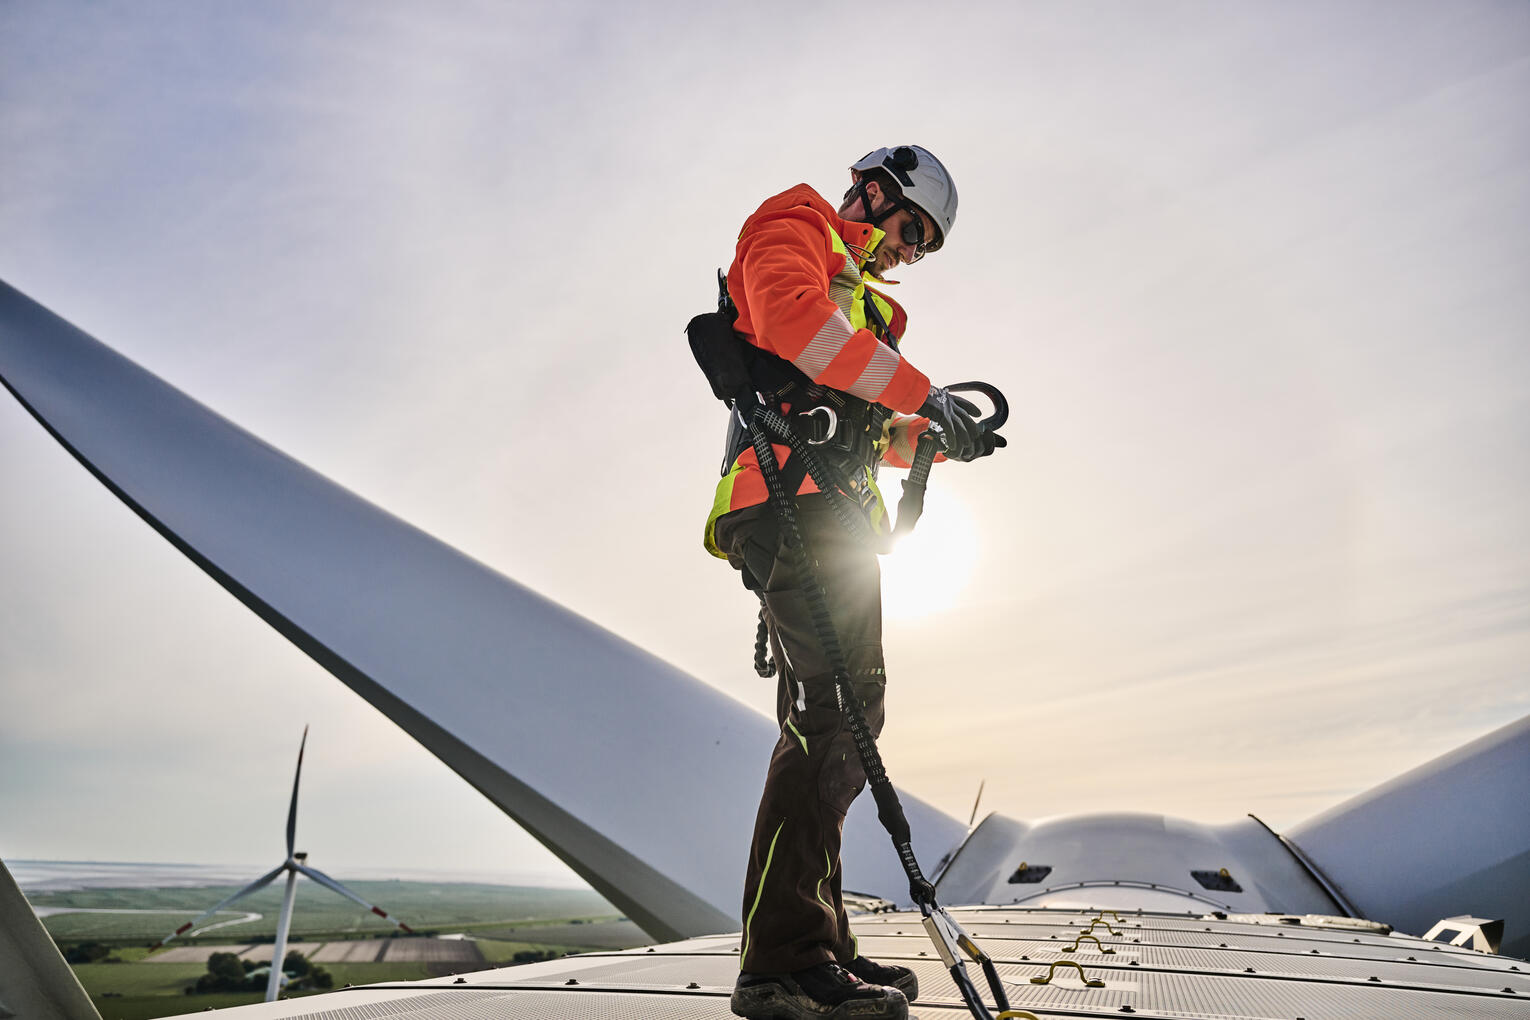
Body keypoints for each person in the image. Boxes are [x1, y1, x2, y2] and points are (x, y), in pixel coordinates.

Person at [701, 146, 1003, 1020]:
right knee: (838, 715)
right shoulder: (794, 226)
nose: (910, 254)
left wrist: (932, 435)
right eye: (912, 230)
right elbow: (799, 330)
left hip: (825, 515)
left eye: (925, 248)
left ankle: (817, 945)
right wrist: (925, 391)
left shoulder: (869, 305)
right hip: (790, 506)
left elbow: (857, 429)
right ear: (875, 192)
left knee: (831, 719)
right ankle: (782, 965)